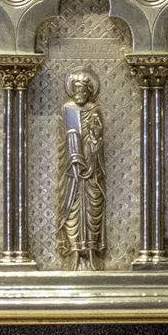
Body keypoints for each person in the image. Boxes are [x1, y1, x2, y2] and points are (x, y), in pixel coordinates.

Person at [58, 70, 106, 270]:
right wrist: (73, 151)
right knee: (73, 207)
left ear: (89, 91)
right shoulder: (67, 109)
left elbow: (97, 140)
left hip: (91, 170)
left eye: (83, 90)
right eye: (76, 89)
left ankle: (92, 252)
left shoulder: (94, 110)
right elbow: (63, 142)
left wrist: (94, 138)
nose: (80, 93)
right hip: (72, 172)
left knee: (92, 207)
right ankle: (75, 252)